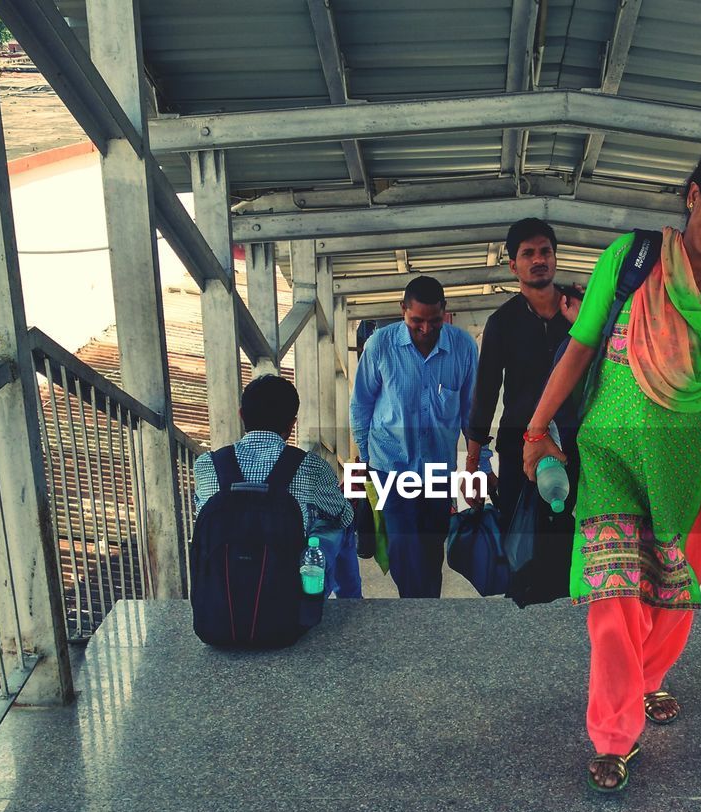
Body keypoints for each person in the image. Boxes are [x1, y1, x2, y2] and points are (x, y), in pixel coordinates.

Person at [524, 144, 701, 792]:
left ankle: (647, 681)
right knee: (614, 598)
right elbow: (580, 349)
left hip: (685, 463)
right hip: (610, 454)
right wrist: (535, 429)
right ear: (692, 196)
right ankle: (613, 737)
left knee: (674, 592)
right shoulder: (632, 258)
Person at [349, 275, 479, 598]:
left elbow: (472, 413)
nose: (425, 329)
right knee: (403, 546)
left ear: (444, 312)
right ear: (402, 310)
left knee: (432, 549)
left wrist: (479, 467)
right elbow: (361, 404)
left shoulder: (463, 347)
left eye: (433, 321)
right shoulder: (380, 345)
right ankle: (417, 616)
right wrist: (366, 459)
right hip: (390, 465)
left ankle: (425, 615)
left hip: (438, 468)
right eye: (416, 321)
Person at [465, 218, 581, 531]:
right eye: (528, 253)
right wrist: (474, 465)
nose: (539, 259)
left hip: (578, 445)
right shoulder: (502, 322)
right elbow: (486, 392)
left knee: (573, 539)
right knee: (518, 539)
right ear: (514, 266)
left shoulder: (582, 309)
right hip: (519, 447)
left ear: (556, 258)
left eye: (546, 251)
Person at [193, 373, 354, 568]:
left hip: (219, 589)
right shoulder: (312, 466)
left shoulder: (207, 465)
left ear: (241, 414)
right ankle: (350, 596)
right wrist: (344, 495)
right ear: (292, 424)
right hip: (285, 592)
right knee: (333, 525)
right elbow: (343, 517)